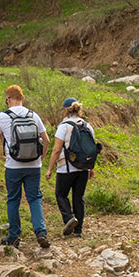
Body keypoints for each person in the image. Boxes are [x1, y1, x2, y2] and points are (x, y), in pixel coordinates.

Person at [0, 84, 51, 248]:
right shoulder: (34, 115)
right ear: (22, 99)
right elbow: (46, 141)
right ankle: (41, 232)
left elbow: (3, 140)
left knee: (13, 199)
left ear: (8, 99)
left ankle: (14, 237)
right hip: (34, 165)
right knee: (35, 198)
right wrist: (41, 157)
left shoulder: (2, 116)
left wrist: (7, 154)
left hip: (13, 165)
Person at [45, 97, 96, 237]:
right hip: (83, 168)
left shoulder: (64, 126)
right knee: (78, 198)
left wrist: (49, 169)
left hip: (66, 168)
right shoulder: (87, 126)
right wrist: (90, 167)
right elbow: (90, 149)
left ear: (66, 110)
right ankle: (78, 231)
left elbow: (56, 150)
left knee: (61, 195)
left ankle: (69, 218)